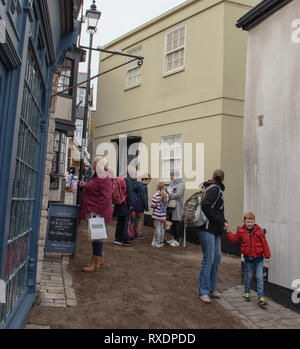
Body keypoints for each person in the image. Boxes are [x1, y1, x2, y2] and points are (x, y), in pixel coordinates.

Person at [225, 212, 271, 306]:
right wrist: (228, 231)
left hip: (258, 259)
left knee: (259, 278)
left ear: (254, 222)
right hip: (248, 259)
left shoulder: (259, 231)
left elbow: (264, 244)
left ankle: (260, 297)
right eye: (248, 222)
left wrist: (267, 256)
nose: (250, 224)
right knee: (248, 276)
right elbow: (234, 239)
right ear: (244, 222)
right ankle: (247, 292)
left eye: (251, 222)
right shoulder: (241, 231)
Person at [79, 156, 113, 272]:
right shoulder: (96, 176)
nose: (93, 163)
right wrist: (84, 185)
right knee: (96, 237)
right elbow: (94, 190)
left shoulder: (104, 178)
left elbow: (105, 197)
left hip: (97, 213)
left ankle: (94, 263)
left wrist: (95, 210)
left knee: (96, 238)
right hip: (93, 212)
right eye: (94, 162)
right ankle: (99, 260)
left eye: (96, 162)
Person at [196, 169, 226, 303]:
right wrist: (219, 221)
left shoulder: (213, 187)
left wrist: (223, 221)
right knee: (209, 259)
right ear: (223, 179)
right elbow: (205, 205)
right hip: (207, 228)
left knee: (217, 257)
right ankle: (203, 291)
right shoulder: (215, 189)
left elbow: (217, 209)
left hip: (214, 229)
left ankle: (211, 289)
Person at [114, 165, 137, 246]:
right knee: (124, 223)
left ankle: (117, 238)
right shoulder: (129, 180)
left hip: (120, 204)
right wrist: (131, 204)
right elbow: (129, 194)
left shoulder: (123, 178)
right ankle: (122, 239)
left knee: (119, 222)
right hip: (125, 205)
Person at [166, 170, 185, 247]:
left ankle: (177, 240)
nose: (171, 177)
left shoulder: (181, 184)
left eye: (172, 176)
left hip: (177, 206)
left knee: (177, 223)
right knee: (172, 223)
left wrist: (169, 195)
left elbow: (179, 194)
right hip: (171, 205)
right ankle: (173, 238)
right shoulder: (171, 183)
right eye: (170, 175)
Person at [134, 173, 151, 238]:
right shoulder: (144, 187)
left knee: (135, 219)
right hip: (140, 206)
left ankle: (134, 232)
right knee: (141, 220)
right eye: (149, 180)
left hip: (135, 205)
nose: (149, 182)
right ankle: (139, 233)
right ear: (145, 179)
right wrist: (146, 207)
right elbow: (144, 198)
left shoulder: (136, 184)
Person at [151, 182, 168, 247]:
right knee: (162, 229)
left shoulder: (156, 195)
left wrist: (152, 205)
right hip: (163, 214)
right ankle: (161, 242)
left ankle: (157, 243)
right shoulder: (166, 195)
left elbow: (153, 205)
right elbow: (166, 205)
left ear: (158, 187)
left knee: (157, 228)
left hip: (157, 214)